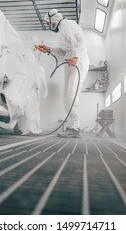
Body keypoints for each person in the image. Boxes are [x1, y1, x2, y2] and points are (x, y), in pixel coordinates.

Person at [35, 9, 89, 138]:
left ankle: (74, 128)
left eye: (48, 23)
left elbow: (80, 41)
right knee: (67, 95)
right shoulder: (63, 30)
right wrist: (48, 49)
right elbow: (63, 51)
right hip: (72, 61)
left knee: (70, 94)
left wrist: (76, 57)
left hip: (77, 62)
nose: (48, 26)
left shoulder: (66, 24)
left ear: (53, 19)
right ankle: (72, 126)